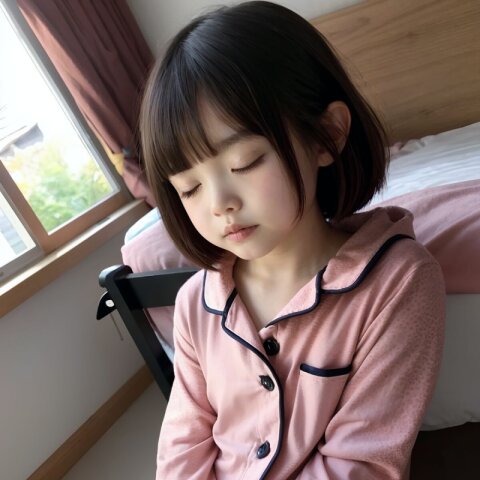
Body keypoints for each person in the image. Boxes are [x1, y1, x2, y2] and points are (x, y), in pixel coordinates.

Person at [139, 2, 445, 478]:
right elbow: (182, 449)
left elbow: (361, 466)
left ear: (326, 136)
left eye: (244, 163)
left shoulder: (398, 281)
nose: (219, 203)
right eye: (189, 187)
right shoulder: (194, 303)